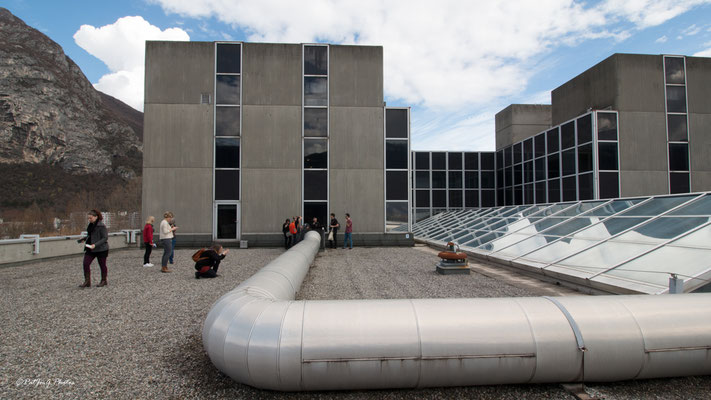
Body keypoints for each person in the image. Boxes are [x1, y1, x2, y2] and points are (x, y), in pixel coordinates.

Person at [77, 209, 109, 287]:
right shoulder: (91, 225)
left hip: (101, 249)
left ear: (96, 217)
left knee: (102, 265)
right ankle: (87, 281)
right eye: (88, 218)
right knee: (86, 263)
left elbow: (105, 238)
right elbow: (91, 236)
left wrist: (95, 244)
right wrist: (84, 239)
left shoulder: (101, 226)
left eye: (90, 218)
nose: (89, 219)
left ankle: (104, 280)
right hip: (90, 248)